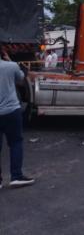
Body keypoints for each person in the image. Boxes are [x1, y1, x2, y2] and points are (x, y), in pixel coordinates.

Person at [0, 45, 35, 188]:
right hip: (11, 111)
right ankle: (16, 176)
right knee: (15, 142)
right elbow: (21, 78)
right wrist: (9, 59)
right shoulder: (11, 66)